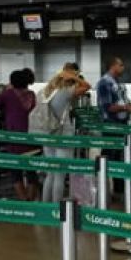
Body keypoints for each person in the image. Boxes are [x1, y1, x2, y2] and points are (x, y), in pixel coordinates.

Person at [40, 68, 91, 203]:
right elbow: (87, 86)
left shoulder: (46, 91)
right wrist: (75, 77)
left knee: (50, 174)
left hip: (47, 135)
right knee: (59, 175)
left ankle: (45, 206)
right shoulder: (66, 92)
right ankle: (57, 209)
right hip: (63, 135)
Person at [0, 69, 39, 201]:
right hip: (31, 137)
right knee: (31, 171)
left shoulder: (8, 94)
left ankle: (24, 201)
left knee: (16, 172)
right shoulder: (32, 95)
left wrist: (6, 90)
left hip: (14, 138)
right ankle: (31, 201)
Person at [96, 57, 131, 124]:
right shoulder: (104, 82)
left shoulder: (119, 82)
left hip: (122, 122)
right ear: (112, 66)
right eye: (121, 65)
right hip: (111, 124)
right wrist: (126, 108)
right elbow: (107, 107)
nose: (123, 68)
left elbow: (123, 100)